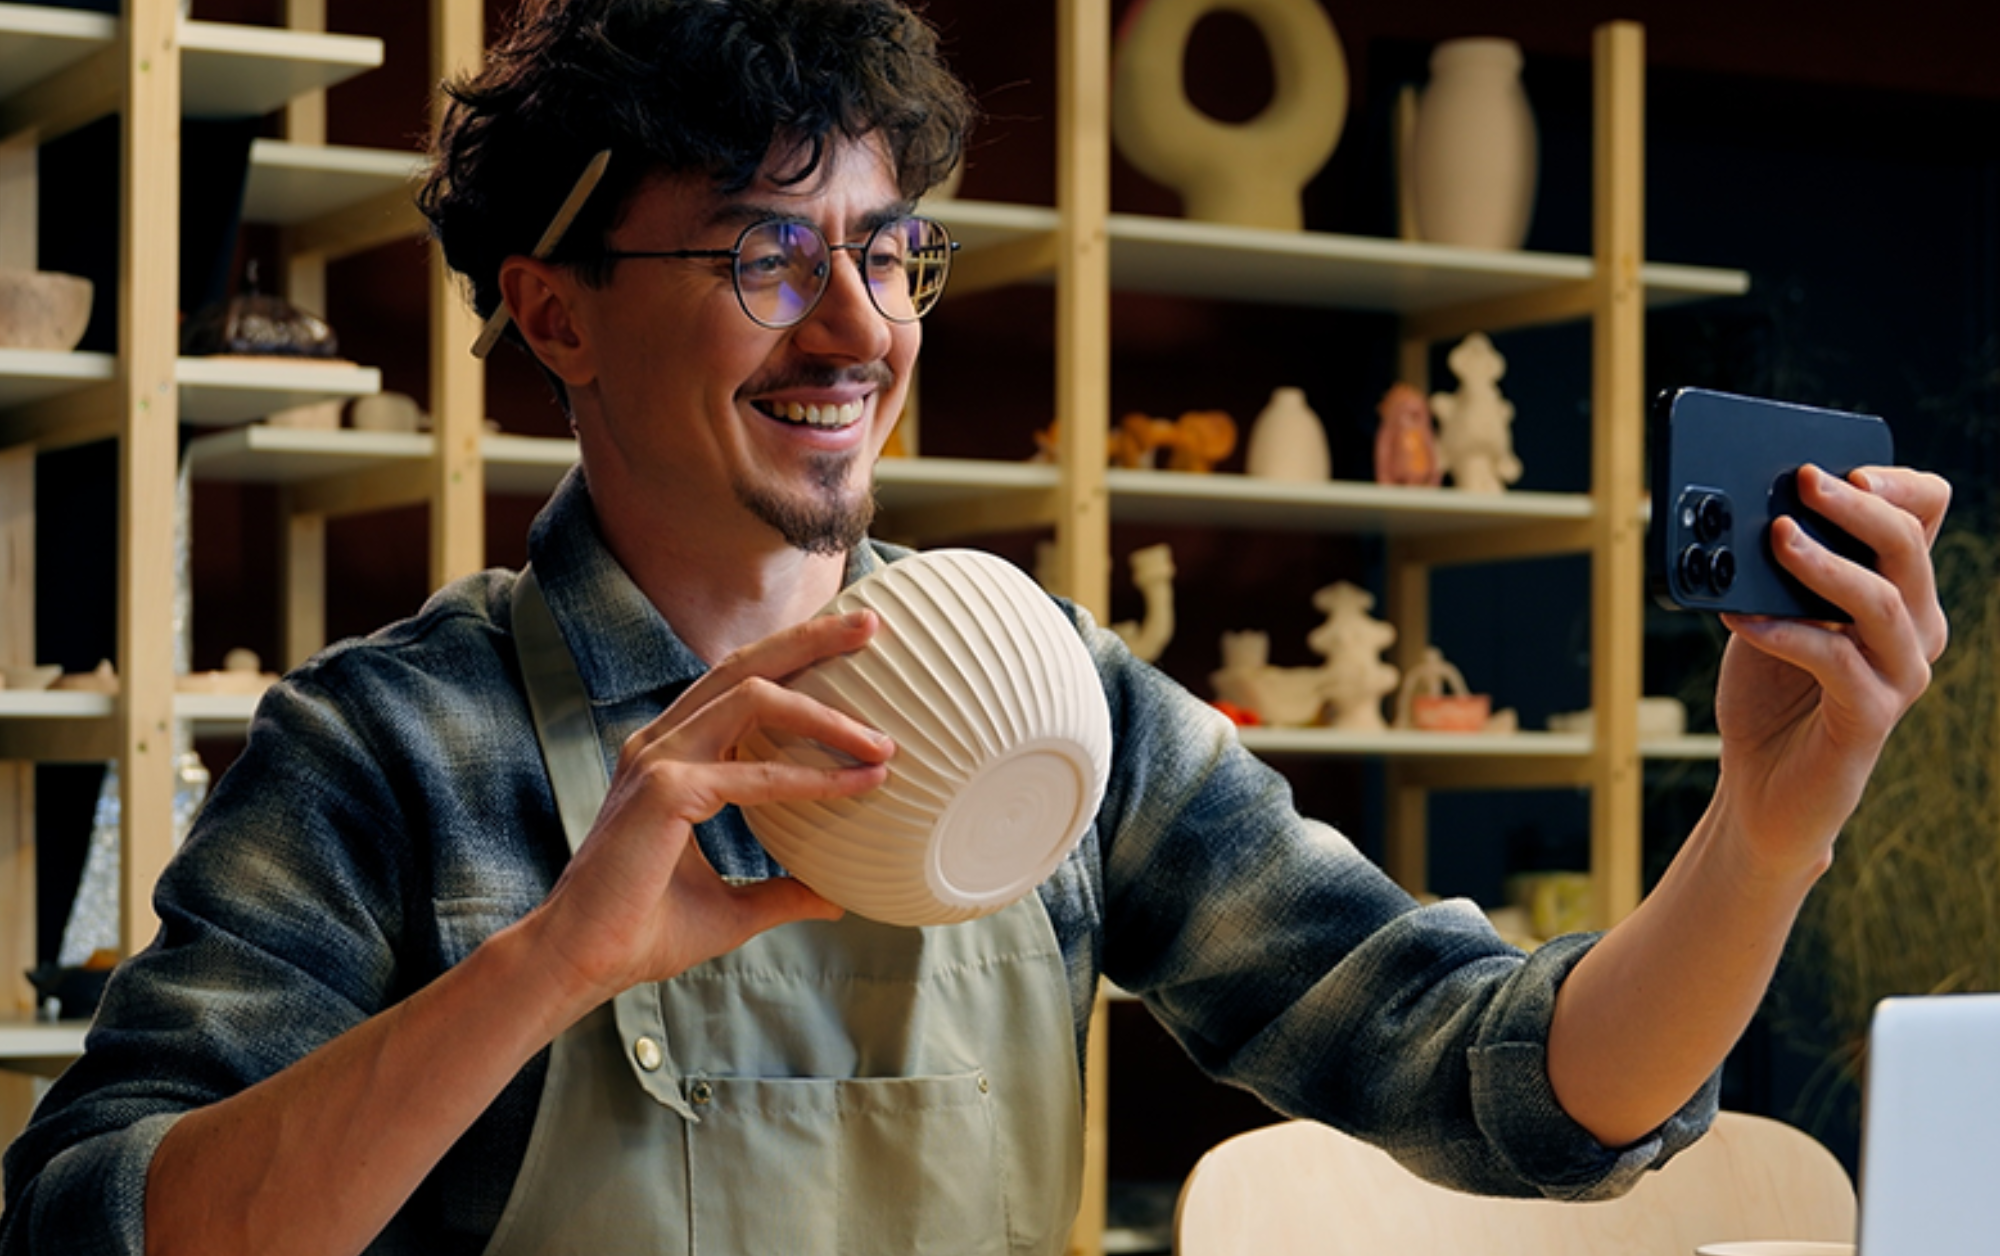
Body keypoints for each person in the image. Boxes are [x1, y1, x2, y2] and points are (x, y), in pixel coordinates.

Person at [1, 1, 1952, 1252]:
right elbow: (98, 1221)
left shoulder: (1062, 701)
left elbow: (1500, 1081)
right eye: (766, 257)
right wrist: (548, 962)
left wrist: (1763, 830)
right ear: (558, 311)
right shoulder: (388, 749)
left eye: (888, 251)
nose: (857, 331)